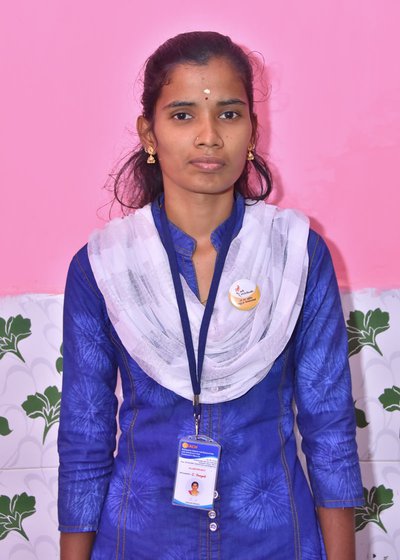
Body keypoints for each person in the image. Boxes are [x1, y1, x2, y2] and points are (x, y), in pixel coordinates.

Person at [58, 31, 363, 560]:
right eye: (182, 115)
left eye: (228, 114)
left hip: (276, 542)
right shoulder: (105, 267)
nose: (208, 136)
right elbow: (85, 441)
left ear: (252, 128)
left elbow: (330, 428)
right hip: (139, 544)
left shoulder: (295, 256)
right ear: (148, 133)